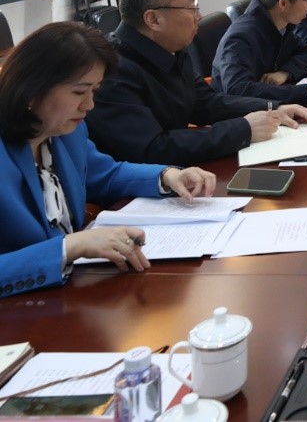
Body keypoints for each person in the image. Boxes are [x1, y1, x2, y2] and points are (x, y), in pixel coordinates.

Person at [0, 22, 216, 297]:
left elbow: (106, 175)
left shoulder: (68, 132)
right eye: (79, 92)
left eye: (94, 91)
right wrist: (71, 246)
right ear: (32, 90)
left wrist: (167, 176)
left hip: (70, 294)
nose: (89, 105)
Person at [87, 0, 307, 165]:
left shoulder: (171, 49)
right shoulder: (112, 70)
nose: (199, 16)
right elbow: (152, 148)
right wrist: (244, 129)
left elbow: (205, 103)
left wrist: (275, 108)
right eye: (192, 8)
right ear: (153, 19)